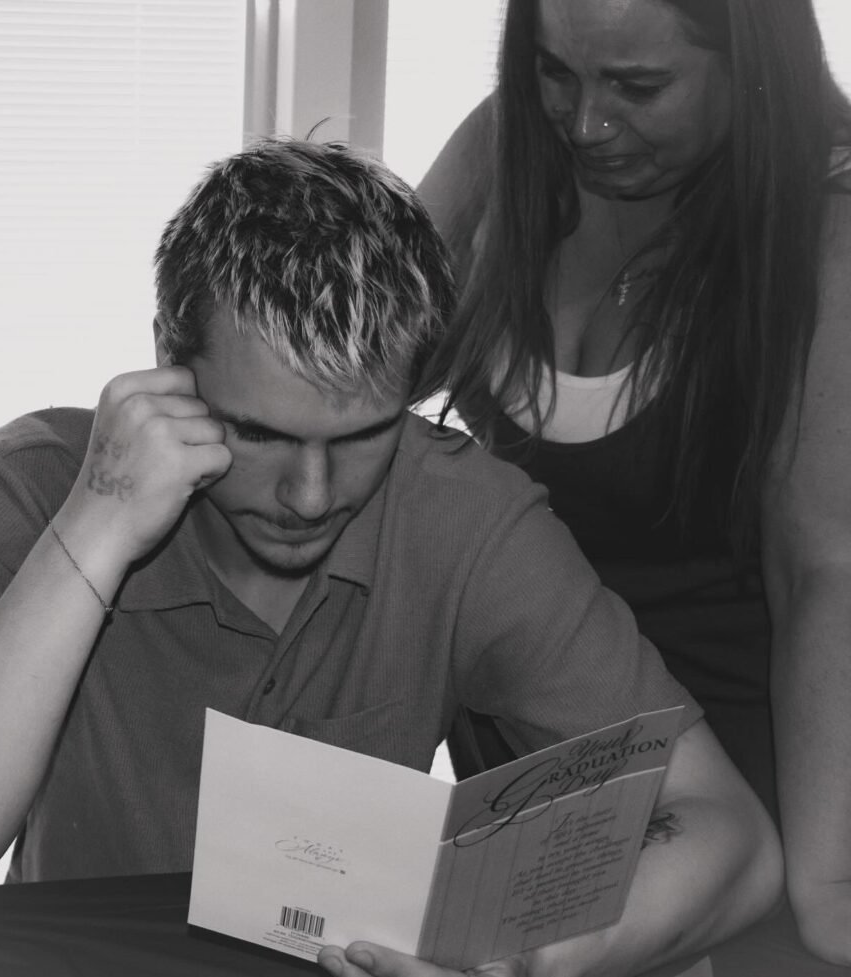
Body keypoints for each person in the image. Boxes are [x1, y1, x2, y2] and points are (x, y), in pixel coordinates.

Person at [0, 139, 780, 976]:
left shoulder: (461, 514)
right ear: (169, 369)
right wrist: (98, 524)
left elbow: (731, 836)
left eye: (363, 433)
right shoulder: (26, 487)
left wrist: (533, 964)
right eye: (259, 434)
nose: (310, 495)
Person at [413, 0, 851, 965]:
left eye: (639, 87)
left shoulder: (828, 228)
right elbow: (352, 372)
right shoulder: (507, 146)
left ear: (755, 64)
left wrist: (826, 892)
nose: (586, 125)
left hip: (746, 810)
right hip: (530, 803)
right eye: (557, 70)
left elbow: (825, 568)